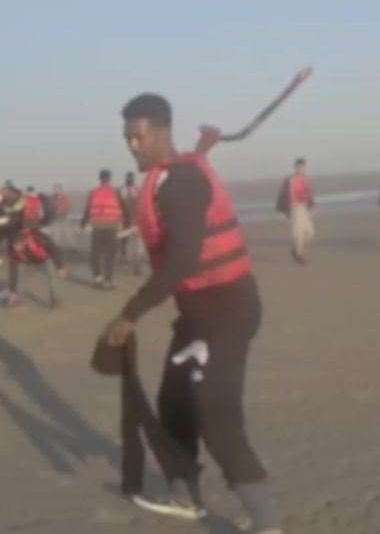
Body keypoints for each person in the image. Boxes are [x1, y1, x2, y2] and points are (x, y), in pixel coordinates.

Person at [98, 93, 282, 533]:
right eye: (127, 139)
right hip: (197, 315)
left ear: (160, 133)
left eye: (138, 138)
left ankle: (268, 523)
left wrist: (129, 314)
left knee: (217, 418)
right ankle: (185, 494)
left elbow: (181, 259)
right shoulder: (178, 172)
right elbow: (186, 177)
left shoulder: (180, 183)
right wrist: (203, 149)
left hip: (227, 312)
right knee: (174, 400)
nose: (132, 147)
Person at [81, 169, 129, 289]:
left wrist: (83, 223)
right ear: (109, 178)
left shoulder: (93, 192)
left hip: (97, 227)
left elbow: (87, 210)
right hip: (112, 227)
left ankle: (97, 279)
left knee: (95, 253)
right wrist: (127, 223)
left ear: (100, 178)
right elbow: (124, 208)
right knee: (110, 255)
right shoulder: (116, 192)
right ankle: (108, 281)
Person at [276, 158, 315, 265]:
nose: (301, 169)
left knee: (310, 233)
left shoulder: (306, 179)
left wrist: (312, 206)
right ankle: (299, 255)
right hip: (294, 207)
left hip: (303, 208)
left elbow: (309, 194)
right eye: (299, 167)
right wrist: (283, 211)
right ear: (295, 167)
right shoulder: (289, 179)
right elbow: (282, 195)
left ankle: (295, 250)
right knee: (298, 234)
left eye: (302, 167)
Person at [119, 171, 145, 275]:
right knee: (124, 241)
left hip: (136, 221)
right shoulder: (121, 190)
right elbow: (119, 204)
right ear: (126, 179)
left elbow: (142, 204)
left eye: (131, 178)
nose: (130, 180)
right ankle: (124, 258)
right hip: (125, 220)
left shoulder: (138, 189)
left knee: (138, 245)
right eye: (128, 178)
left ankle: (137, 266)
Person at [50, 183, 72, 250]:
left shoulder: (64, 197)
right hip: (56, 218)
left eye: (57, 189)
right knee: (56, 233)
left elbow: (67, 206)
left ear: (61, 190)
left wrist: (61, 210)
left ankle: (71, 246)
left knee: (67, 233)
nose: (55, 190)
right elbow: (51, 207)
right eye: (55, 189)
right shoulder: (53, 198)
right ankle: (56, 246)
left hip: (63, 217)